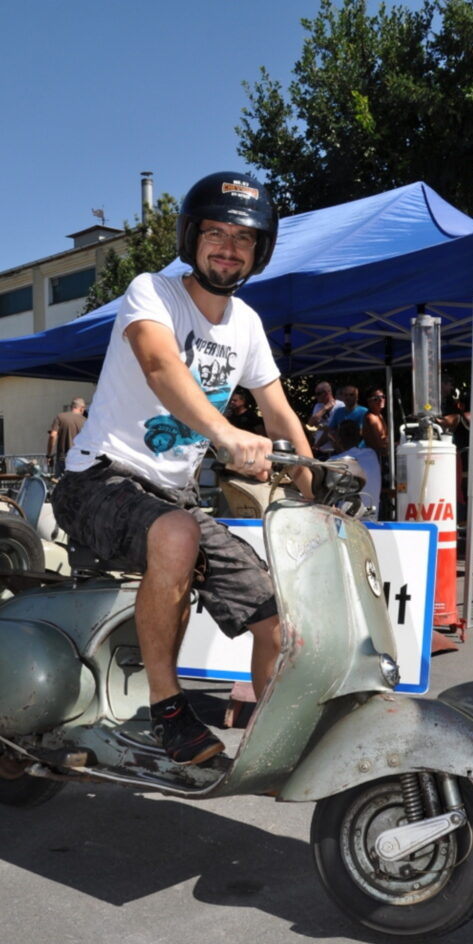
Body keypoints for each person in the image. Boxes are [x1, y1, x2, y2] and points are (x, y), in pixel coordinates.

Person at [51, 171, 313, 767]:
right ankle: (168, 711)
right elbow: (160, 366)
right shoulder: (153, 292)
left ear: (260, 250)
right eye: (215, 232)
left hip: (173, 499)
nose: (228, 247)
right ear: (192, 238)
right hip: (98, 479)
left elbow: (279, 413)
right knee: (177, 532)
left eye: (243, 238)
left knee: (274, 616)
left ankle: (275, 747)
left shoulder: (245, 325)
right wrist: (223, 433)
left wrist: (317, 487)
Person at [329, 419, 381, 520]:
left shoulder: (334, 461)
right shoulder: (371, 454)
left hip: (348, 524)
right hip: (372, 518)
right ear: (359, 437)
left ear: (338, 439)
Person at [47, 398, 87, 477]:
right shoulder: (86, 421)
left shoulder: (60, 417)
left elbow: (52, 435)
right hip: (80, 460)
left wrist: (49, 455)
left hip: (63, 458)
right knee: (77, 487)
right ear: (82, 408)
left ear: (72, 407)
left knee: (60, 485)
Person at [306, 381, 343, 458]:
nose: (316, 396)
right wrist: (324, 409)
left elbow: (333, 428)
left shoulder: (340, 406)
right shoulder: (318, 406)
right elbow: (310, 424)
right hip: (321, 451)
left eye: (318, 394)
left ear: (326, 393)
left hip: (335, 450)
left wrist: (320, 427)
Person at [361, 385, 389, 457]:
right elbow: (379, 445)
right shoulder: (371, 418)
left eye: (383, 397)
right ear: (369, 401)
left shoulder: (378, 415)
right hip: (376, 457)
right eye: (376, 398)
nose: (381, 400)